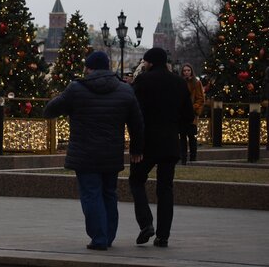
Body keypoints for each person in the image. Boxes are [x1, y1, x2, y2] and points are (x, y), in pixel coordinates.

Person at [42, 50, 144, 251]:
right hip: (111, 153)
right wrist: (136, 148)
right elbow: (137, 123)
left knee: (91, 194)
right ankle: (108, 236)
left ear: (88, 68)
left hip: (85, 153)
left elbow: (49, 110)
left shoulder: (77, 88)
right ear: (107, 67)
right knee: (109, 193)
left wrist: (69, 100)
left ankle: (99, 238)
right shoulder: (125, 90)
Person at [129, 47, 194, 248]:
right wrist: (175, 130)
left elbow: (135, 117)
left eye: (145, 61)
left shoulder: (143, 81)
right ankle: (163, 236)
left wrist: (136, 147)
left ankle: (146, 223)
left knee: (136, 181)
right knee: (165, 188)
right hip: (170, 143)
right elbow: (188, 116)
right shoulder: (179, 82)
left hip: (147, 143)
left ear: (150, 62)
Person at [179, 63, 204, 164]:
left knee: (191, 136)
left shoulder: (196, 83)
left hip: (191, 114)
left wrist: (193, 109)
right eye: (184, 70)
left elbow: (200, 98)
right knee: (182, 137)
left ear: (191, 71)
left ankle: (193, 158)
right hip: (181, 114)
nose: (186, 72)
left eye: (188, 70)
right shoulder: (180, 82)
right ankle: (183, 158)